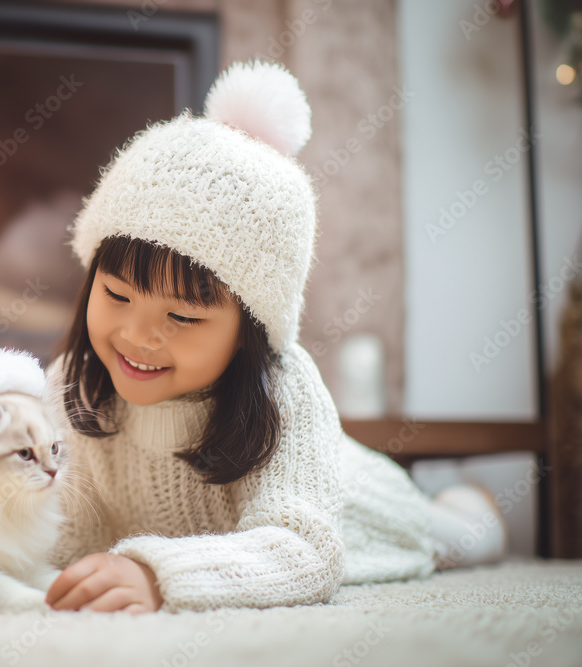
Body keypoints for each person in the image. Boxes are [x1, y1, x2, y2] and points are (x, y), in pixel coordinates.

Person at [42, 60, 507, 615]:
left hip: (359, 506)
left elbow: (306, 553)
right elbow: (59, 533)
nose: (138, 335)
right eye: (117, 295)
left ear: (249, 333)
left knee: (470, 539)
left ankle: (466, 502)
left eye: (183, 318)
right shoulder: (72, 387)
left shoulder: (285, 390)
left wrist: (155, 573)